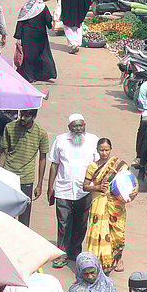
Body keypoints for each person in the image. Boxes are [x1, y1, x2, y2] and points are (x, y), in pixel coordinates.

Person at [47, 114, 99, 266]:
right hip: (63, 189)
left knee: (81, 223)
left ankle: (75, 251)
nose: (78, 129)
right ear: (69, 127)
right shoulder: (60, 140)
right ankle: (62, 253)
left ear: (85, 125)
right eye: (75, 126)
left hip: (85, 191)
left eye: (81, 126)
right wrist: (50, 187)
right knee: (63, 223)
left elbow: (98, 165)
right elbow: (54, 164)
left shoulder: (92, 140)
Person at [82, 137, 134, 273]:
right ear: (97, 150)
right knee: (99, 231)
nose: (104, 153)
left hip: (116, 204)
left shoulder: (120, 165)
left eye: (106, 150)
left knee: (117, 233)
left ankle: (118, 259)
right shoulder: (93, 167)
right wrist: (98, 187)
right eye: (101, 150)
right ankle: (98, 260)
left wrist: (130, 194)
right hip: (99, 202)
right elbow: (85, 187)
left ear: (111, 150)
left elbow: (128, 182)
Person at [0, 109, 50, 227]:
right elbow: (4, 153)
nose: (22, 118)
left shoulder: (41, 133)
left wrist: (39, 184)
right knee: (6, 216)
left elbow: (42, 159)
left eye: (27, 116)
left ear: (34, 117)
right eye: (22, 115)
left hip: (27, 179)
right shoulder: (9, 127)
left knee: (24, 219)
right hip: (8, 176)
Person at [14, 0, 57, 83]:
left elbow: (20, 21)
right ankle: (42, 75)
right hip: (39, 35)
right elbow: (48, 20)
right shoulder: (43, 7)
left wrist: (18, 35)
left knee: (28, 55)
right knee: (41, 54)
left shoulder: (26, 8)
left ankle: (29, 76)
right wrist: (50, 26)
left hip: (27, 35)